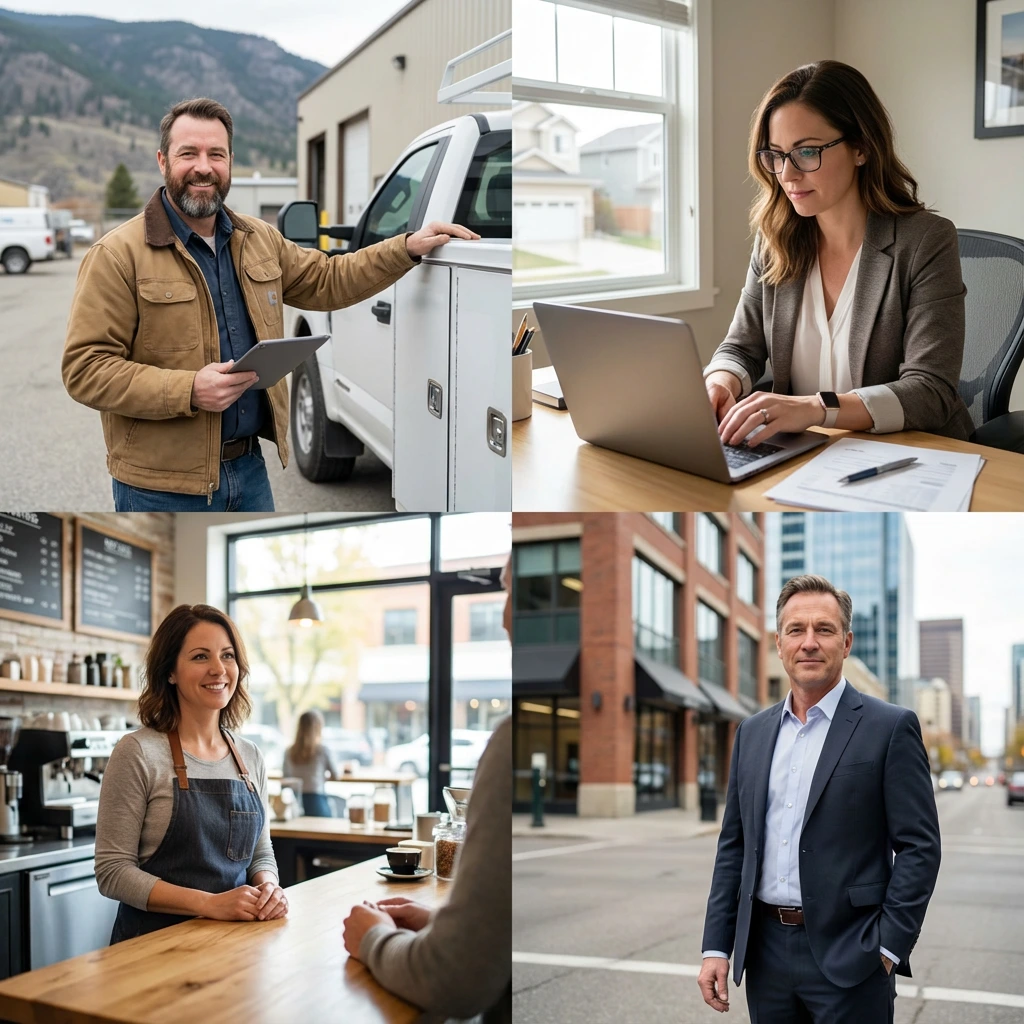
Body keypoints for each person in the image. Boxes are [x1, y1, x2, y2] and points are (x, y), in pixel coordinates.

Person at [62, 96, 480, 512]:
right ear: (162, 161)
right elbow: (85, 368)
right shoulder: (117, 255)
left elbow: (328, 279)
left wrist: (406, 248)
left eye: (216, 154)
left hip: (248, 472)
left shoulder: (259, 239)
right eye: (188, 153)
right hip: (159, 486)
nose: (203, 167)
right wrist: (188, 389)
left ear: (230, 162)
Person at [698, 574, 941, 1023]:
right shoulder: (751, 733)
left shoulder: (889, 728)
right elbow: (734, 846)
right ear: (779, 643)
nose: (809, 642)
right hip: (766, 957)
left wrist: (887, 947)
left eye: (823, 630)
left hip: (854, 957)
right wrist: (717, 944)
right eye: (796, 630)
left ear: (845, 643)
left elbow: (920, 847)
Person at [704, 61, 974, 446]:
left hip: (909, 455)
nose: (787, 174)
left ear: (861, 147)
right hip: (804, 453)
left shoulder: (925, 240)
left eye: (806, 152)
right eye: (776, 155)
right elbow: (740, 347)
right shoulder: (776, 238)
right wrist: (720, 382)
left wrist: (817, 408)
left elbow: (931, 390)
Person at [341, 558, 512, 1023]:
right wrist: (443, 926)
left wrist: (373, 937)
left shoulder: (510, 741)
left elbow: (453, 980)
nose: (502, 616)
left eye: (510, 593)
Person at [95, 603, 288, 942]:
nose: (218, 669)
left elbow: (261, 853)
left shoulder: (250, 757)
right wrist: (210, 904)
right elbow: (112, 872)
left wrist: (269, 888)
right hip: (149, 951)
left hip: (233, 946)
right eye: (201, 657)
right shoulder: (138, 752)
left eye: (228, 656)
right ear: (170, 671)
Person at [283, 708, 340, 818]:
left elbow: (286, 777)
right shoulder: (322, 750)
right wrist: (320, 778)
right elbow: (336, 775)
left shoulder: (289, 751)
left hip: (295, 801)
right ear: (318, 728)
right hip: (316, 801)